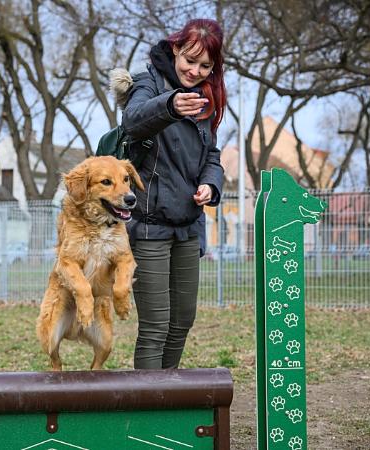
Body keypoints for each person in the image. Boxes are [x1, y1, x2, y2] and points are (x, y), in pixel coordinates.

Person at [120, 19, 226, 368]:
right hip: (149, 226)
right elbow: (132, 122)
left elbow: (211, 154)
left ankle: (167, 400)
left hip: (188, 226)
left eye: (205, 66)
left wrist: (210, 185)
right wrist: (169, 106)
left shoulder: (205, 96)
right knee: (155, 326)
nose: (195, 71)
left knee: (182, 321)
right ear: (176, 49)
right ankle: (147, 414)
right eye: (190, 60)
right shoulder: (149, 82)